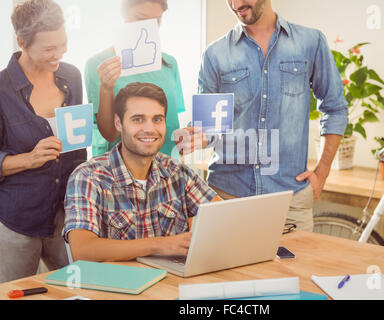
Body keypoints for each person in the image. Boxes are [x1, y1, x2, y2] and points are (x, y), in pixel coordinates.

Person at [182, 0, 348, 232]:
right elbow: (209, 128)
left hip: (290, 200)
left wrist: (322, 172)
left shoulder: (310, 42)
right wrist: (192, 136)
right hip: (227, 197)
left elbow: (335, 107)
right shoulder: (215, 54)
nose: (236, 4)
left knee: (295, 270)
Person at [64, 82, 220, 262]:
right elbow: (83, 250)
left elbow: (225, 217)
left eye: (157, 119)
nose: (149, 129)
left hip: (171, 283)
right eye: (138, 119)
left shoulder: (177, 171)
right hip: (116, 287)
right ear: (118, 123)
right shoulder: (88, 176)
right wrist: (160, 244)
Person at [0, 0, 87, 282]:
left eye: (62, 44)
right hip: (18, 220)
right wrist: (29, 159)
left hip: (68, 214)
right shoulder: (2, 90)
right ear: (21, 42)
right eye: (48, 49)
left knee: (79, 288)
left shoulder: (71, 76)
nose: (58, 54)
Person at [85, 0, 185, 158]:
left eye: (156, 21)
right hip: (120, 170)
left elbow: (171, 124)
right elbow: (109, 135)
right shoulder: (99, 65)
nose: (149, 27)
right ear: (123, 14)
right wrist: (106, 87)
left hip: (165, 169)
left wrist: (186, 139)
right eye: (140, 18)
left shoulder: (170, 64)